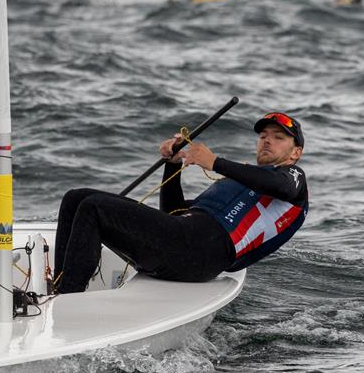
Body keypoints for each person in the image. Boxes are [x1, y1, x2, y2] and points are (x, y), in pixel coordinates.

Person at [53, 112, 309, 294]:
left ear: (296, 152)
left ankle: (68, 298)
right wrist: (172, 165)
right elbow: (173, 212)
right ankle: (57, 287)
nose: (267, 140)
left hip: (202, 255)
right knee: (77, 198)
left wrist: (214, 162)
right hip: (182, 242)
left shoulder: (293, 178)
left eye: (279, 137)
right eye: (263, 135)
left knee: (95, 207)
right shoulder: (241, 182)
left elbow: (281, 187)